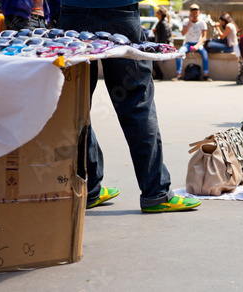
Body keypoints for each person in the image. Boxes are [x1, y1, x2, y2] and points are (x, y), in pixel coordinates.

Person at [57, 1, 201, 212]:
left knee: (75, 105)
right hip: (119, 11)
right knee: (136, 103)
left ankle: (88, 187)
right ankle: (156, 192)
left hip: (72, 13)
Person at [172, 4, 211, 81]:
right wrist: (189, 23)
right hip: (187, 43)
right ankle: (179, 74)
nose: (195, 15)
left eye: (196, 13)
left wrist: (197, 45)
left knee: (205, 53)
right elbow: (183, 33)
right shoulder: (186, 21)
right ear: (190, 13)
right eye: (193, 13)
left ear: (199, 13)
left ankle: (206, 74)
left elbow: (204, 37)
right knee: (179, 52)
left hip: (198, 43)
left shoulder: (202, 23)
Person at [152, 7, 173, 80]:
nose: (155, 13)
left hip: (163, 46)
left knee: (152, 57)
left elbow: (165, 37)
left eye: (156, 12)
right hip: (161, 44)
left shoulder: (163, 23)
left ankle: (159, 74)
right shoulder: (161, 22)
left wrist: (159, 46)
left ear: (160, 14)